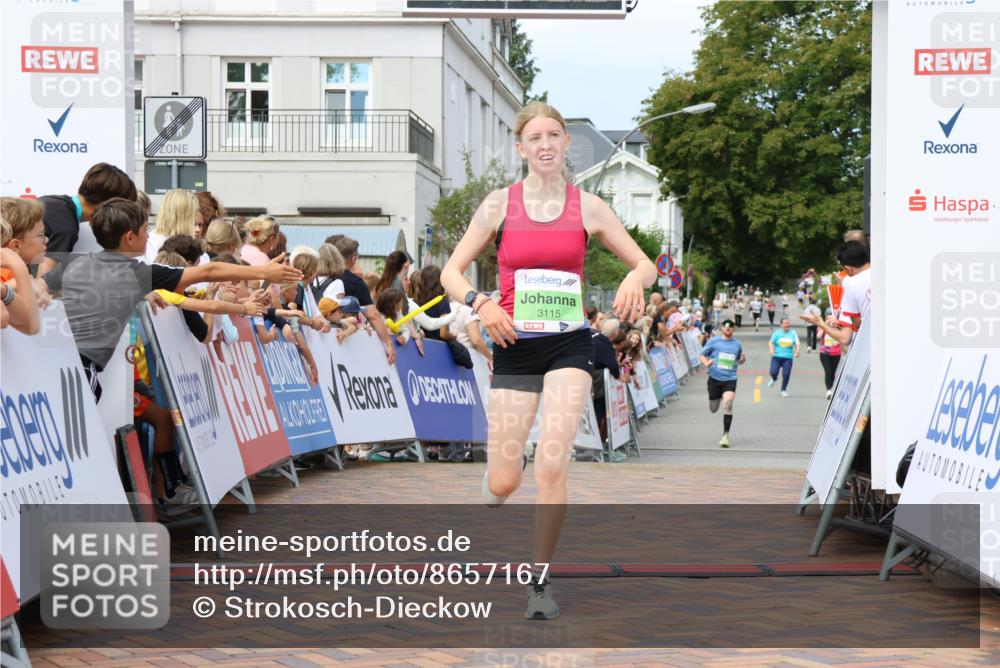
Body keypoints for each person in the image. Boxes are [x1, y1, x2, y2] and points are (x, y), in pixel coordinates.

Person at [439, 101, 656, 620]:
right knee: (507, 481)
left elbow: (646, 263)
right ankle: (496, 481)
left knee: (554, 463)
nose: (544, 144)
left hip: (568, 345)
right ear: (521, 148)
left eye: (553, 135)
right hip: (515, 344)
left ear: (565, 145)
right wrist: (480, 302)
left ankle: (538, 582)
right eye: (534, 137)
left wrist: (633, 276)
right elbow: (450, 271)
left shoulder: (589, 207)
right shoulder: (499, 205)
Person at [37, 198, 302, 401]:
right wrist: (262, 272)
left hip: (58, 365)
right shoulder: (137, 273)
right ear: (129, 237)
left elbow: (36, 286)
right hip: (82, 371)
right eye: (144, 230)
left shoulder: (78, 264)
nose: (149, 235)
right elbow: (209, 271)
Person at [37, 162, 137, 276]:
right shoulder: (65, 228)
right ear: (108, 204)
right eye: (123, 209)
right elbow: (43, 279)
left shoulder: (51, 202)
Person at [328, 235, 398, 364]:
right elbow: (373, 316)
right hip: (343, 338)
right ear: (354, 258)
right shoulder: (355, 282)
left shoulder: (321, 274)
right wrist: (389, 344)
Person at [698, 319, 745, 448]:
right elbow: (701, 354)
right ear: (722, 329)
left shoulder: (737, 344)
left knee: (728, 403)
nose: (728, 329)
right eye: (726, 327)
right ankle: (718, 396)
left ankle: (725, 436)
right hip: (714, 378)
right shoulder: (714, 342)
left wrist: (742, 359)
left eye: (731, 327)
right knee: (713, 409)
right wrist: (706, 363)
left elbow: (739, 360)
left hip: (730, 378)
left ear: (733, 329)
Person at [144, 189, 199, 264]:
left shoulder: (147, 242)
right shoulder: (148, 244)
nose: (195, 218)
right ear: (185, 217)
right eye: (194, 213)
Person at [767, 317, 800, 397]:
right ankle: (774, 378)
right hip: (776, 357)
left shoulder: (793, 333)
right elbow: (771, 342)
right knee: (773, 372)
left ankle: (783, 390)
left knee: (786, 374)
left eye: (788, 323)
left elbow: (797, 344)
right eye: (785, 323)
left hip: (788, 358)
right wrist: (771, 350)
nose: (787, 325)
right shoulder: (777, 333)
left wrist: (797, 352)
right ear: (781, 325)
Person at [818, 314, 843, 400]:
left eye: (833, 319)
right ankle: (828, 390)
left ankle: (830, 388)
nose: (831, 321)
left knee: (833, 373)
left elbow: (845, 340)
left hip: (836, 354)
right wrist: (825, 326)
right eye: (829, 319)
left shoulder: (840, 329)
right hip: (825, 353)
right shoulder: (823, 328)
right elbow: (818, 336)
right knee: (828, 371)